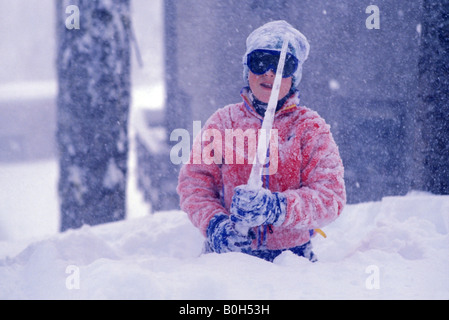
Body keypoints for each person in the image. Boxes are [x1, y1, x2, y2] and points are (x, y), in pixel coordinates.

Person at [177, 20, 346, 262]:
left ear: (294, 77)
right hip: (228, 261)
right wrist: (216, 226)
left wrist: (277, 208)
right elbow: (194, 185)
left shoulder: (310, 128)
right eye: (260, 61)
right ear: (247, 70)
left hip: (292, 264)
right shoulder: (224, 122)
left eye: (282, 65)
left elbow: (331, 196)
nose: (269, 72)